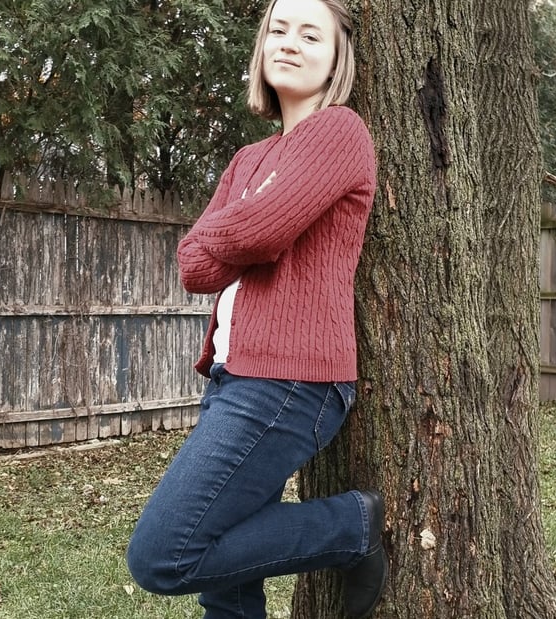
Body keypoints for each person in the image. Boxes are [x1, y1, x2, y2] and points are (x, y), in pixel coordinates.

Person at [126, 0, 386, 617]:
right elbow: (194, 267)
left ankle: (352, 527)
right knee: (226, 586)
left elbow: (260, 234)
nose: (289, 43)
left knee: (163, 555)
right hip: (232, 376)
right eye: (278, 29)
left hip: (290, 382)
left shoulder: (340, 131)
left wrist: (240, 226)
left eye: (310, 35)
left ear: (336, 59)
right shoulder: (248, 160)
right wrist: (246, 225)